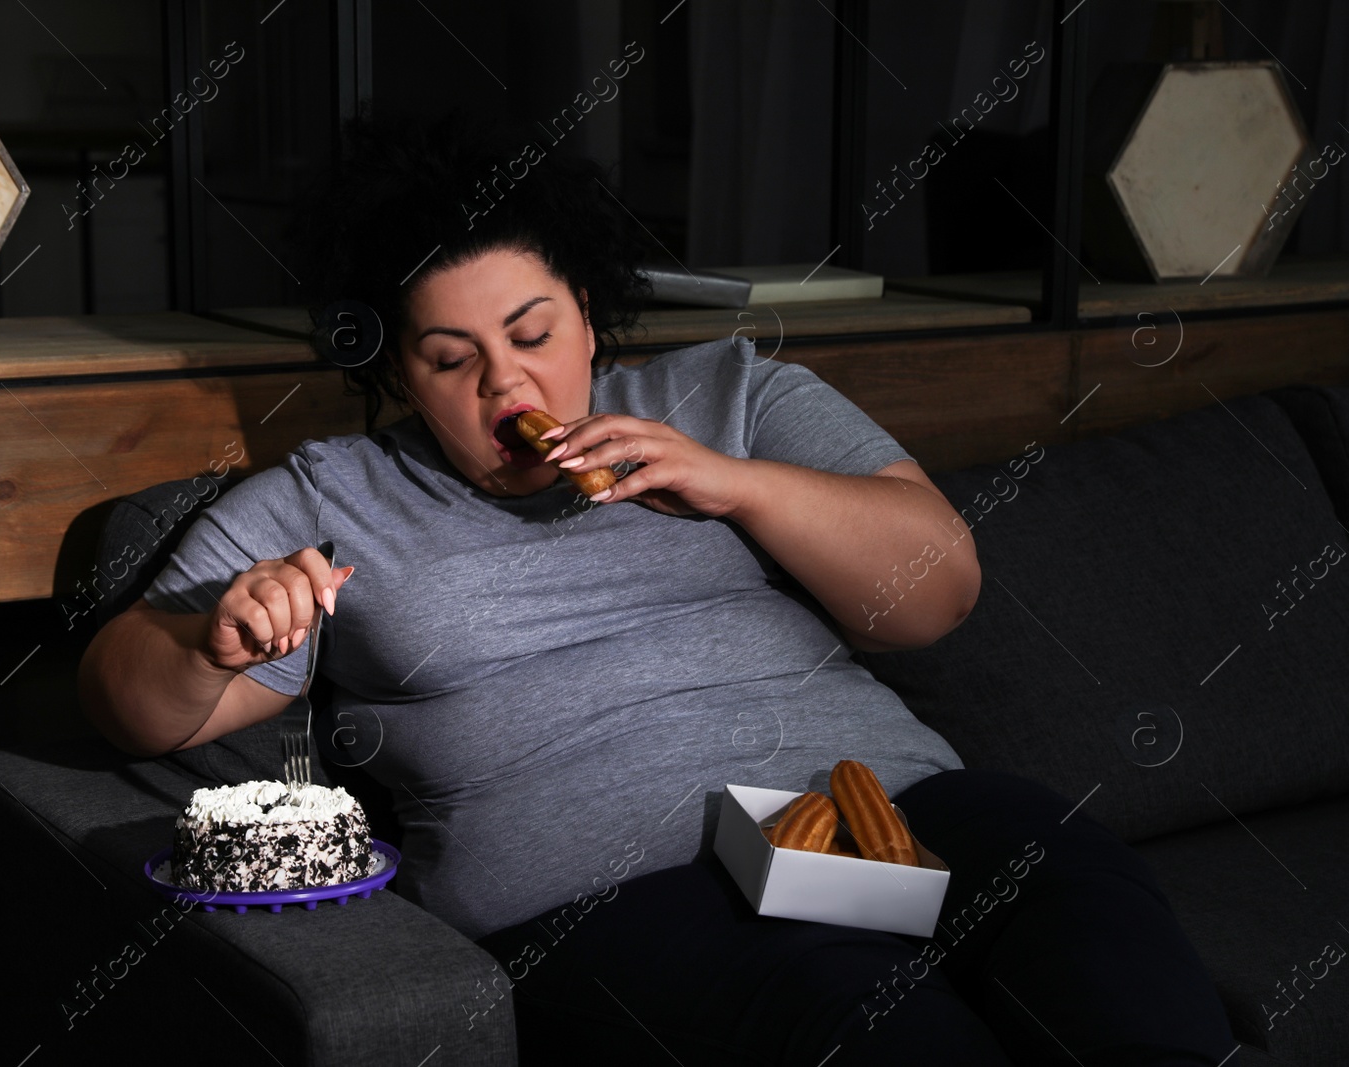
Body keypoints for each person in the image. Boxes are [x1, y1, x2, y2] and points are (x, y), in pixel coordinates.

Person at [77, 112, 1239, 1065]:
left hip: (872, 808)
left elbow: (939, 590)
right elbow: (124, 698)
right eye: (449, 359)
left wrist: (737, 487)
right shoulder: (333, 494)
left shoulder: (732, 393)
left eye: (533, 331)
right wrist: (213, 642)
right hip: (606, 891)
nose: (505, 383)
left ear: (588, 308)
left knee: (1077, 898)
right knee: (864, 1018)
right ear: (394, 371)